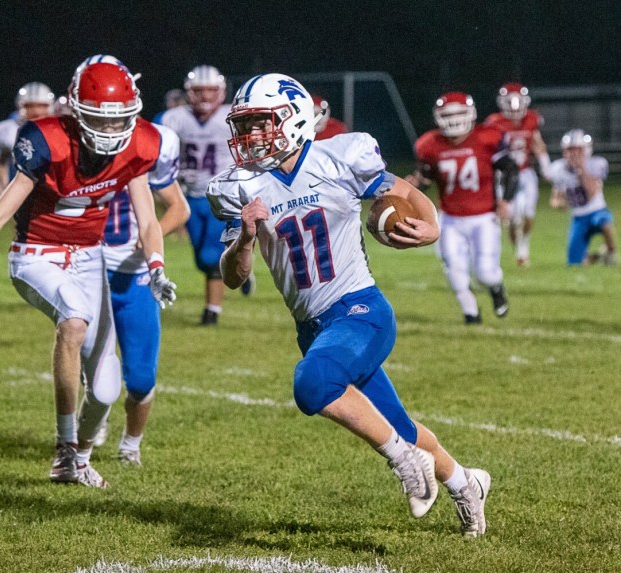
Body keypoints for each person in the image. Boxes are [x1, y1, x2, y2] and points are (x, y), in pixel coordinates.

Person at [207, 73, 492, 537]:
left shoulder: (339, 156)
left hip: (360, 309)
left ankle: (404, 461)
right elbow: (234, 278)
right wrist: (244, 239)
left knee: (313, 382)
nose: (252, 137)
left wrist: (433, 224)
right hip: (314, 329)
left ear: (294, 119)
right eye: (247, 126)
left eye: (262, 124)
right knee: (399, 423)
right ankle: (467, 484)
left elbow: (402, 192)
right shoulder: (241, 187)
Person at [0, 58, 177, 489]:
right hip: (36, 254)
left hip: (90, 257)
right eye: (100, 119)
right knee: (74, 321)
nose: (111, 132)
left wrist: (156, 267)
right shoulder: (48, 141)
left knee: (105, 390)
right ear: (76, 110)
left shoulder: (141, 144)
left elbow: (148, 217)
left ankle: (78, 458)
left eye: (120, 122)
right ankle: (63, 451)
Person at [98, 125, 190, 464]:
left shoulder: (149, 145)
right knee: (94, 371)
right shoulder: (74, 148)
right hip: (88, 271)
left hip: (135, 274)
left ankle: (130, 445)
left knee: (140, 378)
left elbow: (179, 208)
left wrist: (153, 239)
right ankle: (91, 423)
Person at [407, 92, 518, 324]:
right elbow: (426, 179)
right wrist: (415, 184)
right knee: (454, 269)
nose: (454, 119)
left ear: (471, 114)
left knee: (485, 272)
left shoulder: (487, 137)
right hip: (449, 218)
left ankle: (496, 287)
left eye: (459, 113)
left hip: (483, 217)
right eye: (448, 114)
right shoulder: (429, 144)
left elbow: (510, 169)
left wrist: (506, 200)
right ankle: (471, 314)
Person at [157, 65, 253, 326]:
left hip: (223, 194)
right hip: (189, 196)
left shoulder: (233, 116)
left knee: (211, 257)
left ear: (221, 91)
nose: (206, 96)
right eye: (200, 91)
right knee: (202, 258)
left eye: (211, 90)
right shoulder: (172, 119)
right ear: (189, 92)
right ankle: (241, 268)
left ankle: (212, 312)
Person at [485, 83, 552, 267]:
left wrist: (545, 165)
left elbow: (538, 143)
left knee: (528, 212)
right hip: (504, 174)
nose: (514, 106)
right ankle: (519, 251)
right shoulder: (494, 122)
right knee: (512, 216)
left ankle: (524, 245)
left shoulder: (532, 119)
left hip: (525, 171)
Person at [549, 129, 616, 266]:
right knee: (574, 263)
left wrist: (581, 169)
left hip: (597, 211)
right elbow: (554, 198)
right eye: (570, 150)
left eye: (578, 150)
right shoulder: (559, 169)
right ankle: (596, 257)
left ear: (586, 150)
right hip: (578, 218)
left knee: (604, 222)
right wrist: (559, 203)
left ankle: (610, 251)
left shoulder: (596, 164)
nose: (574, 154)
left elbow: (591, 193)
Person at [0, 82, 55, 189]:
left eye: (41, 106)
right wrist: (4, 188)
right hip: (21, 190)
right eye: (30, 106)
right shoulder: (10, 130)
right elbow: (1, 163)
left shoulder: (59, 129)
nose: (36, 111)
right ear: (20, 106)